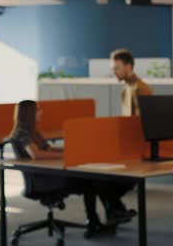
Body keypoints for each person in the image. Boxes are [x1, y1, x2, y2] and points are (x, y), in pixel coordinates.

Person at [7, 100, 116, 238]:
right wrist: (66, 155)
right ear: (29, 113)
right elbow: (36, 154)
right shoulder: (21, 132)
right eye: (38, 110)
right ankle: (96, 221)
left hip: (45, 174)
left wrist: (71, 150)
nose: (42, 112)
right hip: (40, 181)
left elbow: (48, 149)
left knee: (90, 180)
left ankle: (104, 216)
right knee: (89, 182)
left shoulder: (33, 131)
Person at [111, 49, 153, 116]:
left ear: (129, 66)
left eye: (117, 68)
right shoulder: (126, 88)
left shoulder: (141, 88)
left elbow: (147, 119)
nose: (114, 72)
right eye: (113, 69)